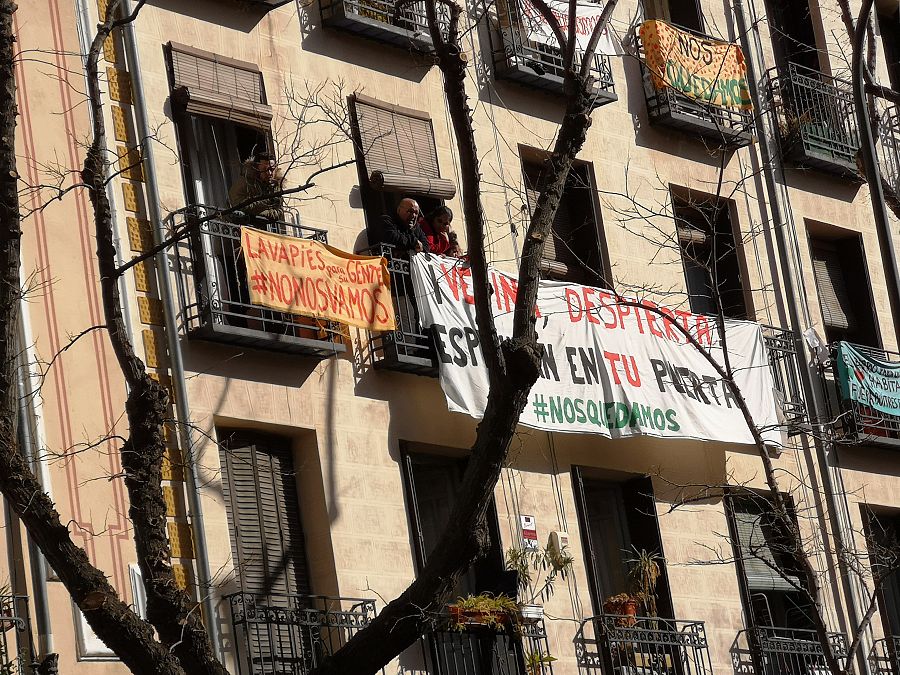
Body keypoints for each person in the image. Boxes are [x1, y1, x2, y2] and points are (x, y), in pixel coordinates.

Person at [228, 151, 284, 223]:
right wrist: (266, 205)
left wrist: (263, 213)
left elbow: (279, 212)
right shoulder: (244, 183)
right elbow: (237, 206)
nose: (269, 173)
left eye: (272, 169)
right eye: (265, 169)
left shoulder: (275, 186)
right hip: (239, 228)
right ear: (256, 168)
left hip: (260, 230)